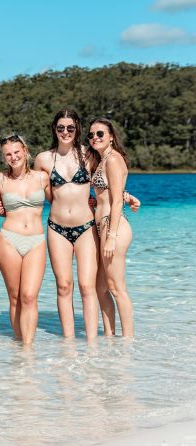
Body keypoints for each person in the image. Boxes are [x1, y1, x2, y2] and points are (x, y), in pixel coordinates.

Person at [33, 108, 100, 339]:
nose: (65, 132)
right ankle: (69, 342)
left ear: (77, 129)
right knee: (63, 286)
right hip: (57, 228)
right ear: (54, 129)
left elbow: (107, 183)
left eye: (70, 128)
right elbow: (33, 190)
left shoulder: (89, 155)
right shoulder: (43, 159)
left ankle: (92, 343)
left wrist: (126, 196)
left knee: (86, 286)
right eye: (61, 127)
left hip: (86, 227)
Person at [0, 134, 50, 346]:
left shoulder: (42, 177)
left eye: (16, 152)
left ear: (25, 150)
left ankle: (28, 348)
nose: (13, 157)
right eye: (8, 154)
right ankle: (18, 344)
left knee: (30, 296)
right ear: (3, 157)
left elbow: (63, 199)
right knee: (15, 297)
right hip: (8, 240)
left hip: (36, 241)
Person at [87, 119, 134, 337]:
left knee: (116, 288)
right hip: (102, 226)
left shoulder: (113, 160)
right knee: (101, 288)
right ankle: (109, 337)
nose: (94, 138)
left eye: (100, 134)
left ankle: (128, 340)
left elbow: (115, 201)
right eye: (91, 135)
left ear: (111, 136)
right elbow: (111, 194)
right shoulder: (101, 160)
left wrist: (112, 237)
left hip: (112, 227)